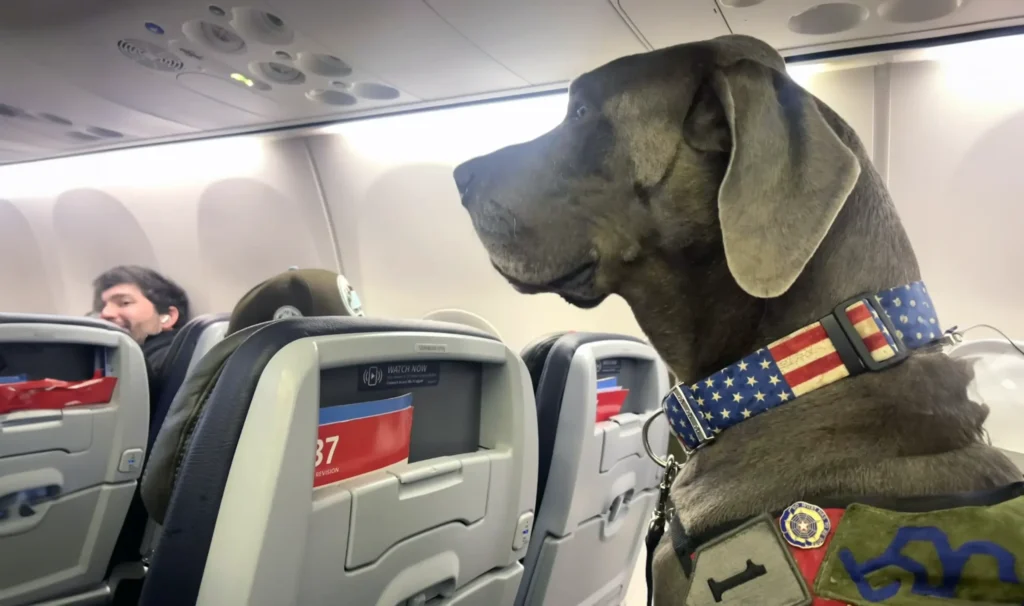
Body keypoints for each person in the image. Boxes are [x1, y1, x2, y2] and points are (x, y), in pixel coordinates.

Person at [92, 265, 190, 391]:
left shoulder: (168, 364)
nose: (105, 313)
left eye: (124, 302)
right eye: (102, 307)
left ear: (168, 317)